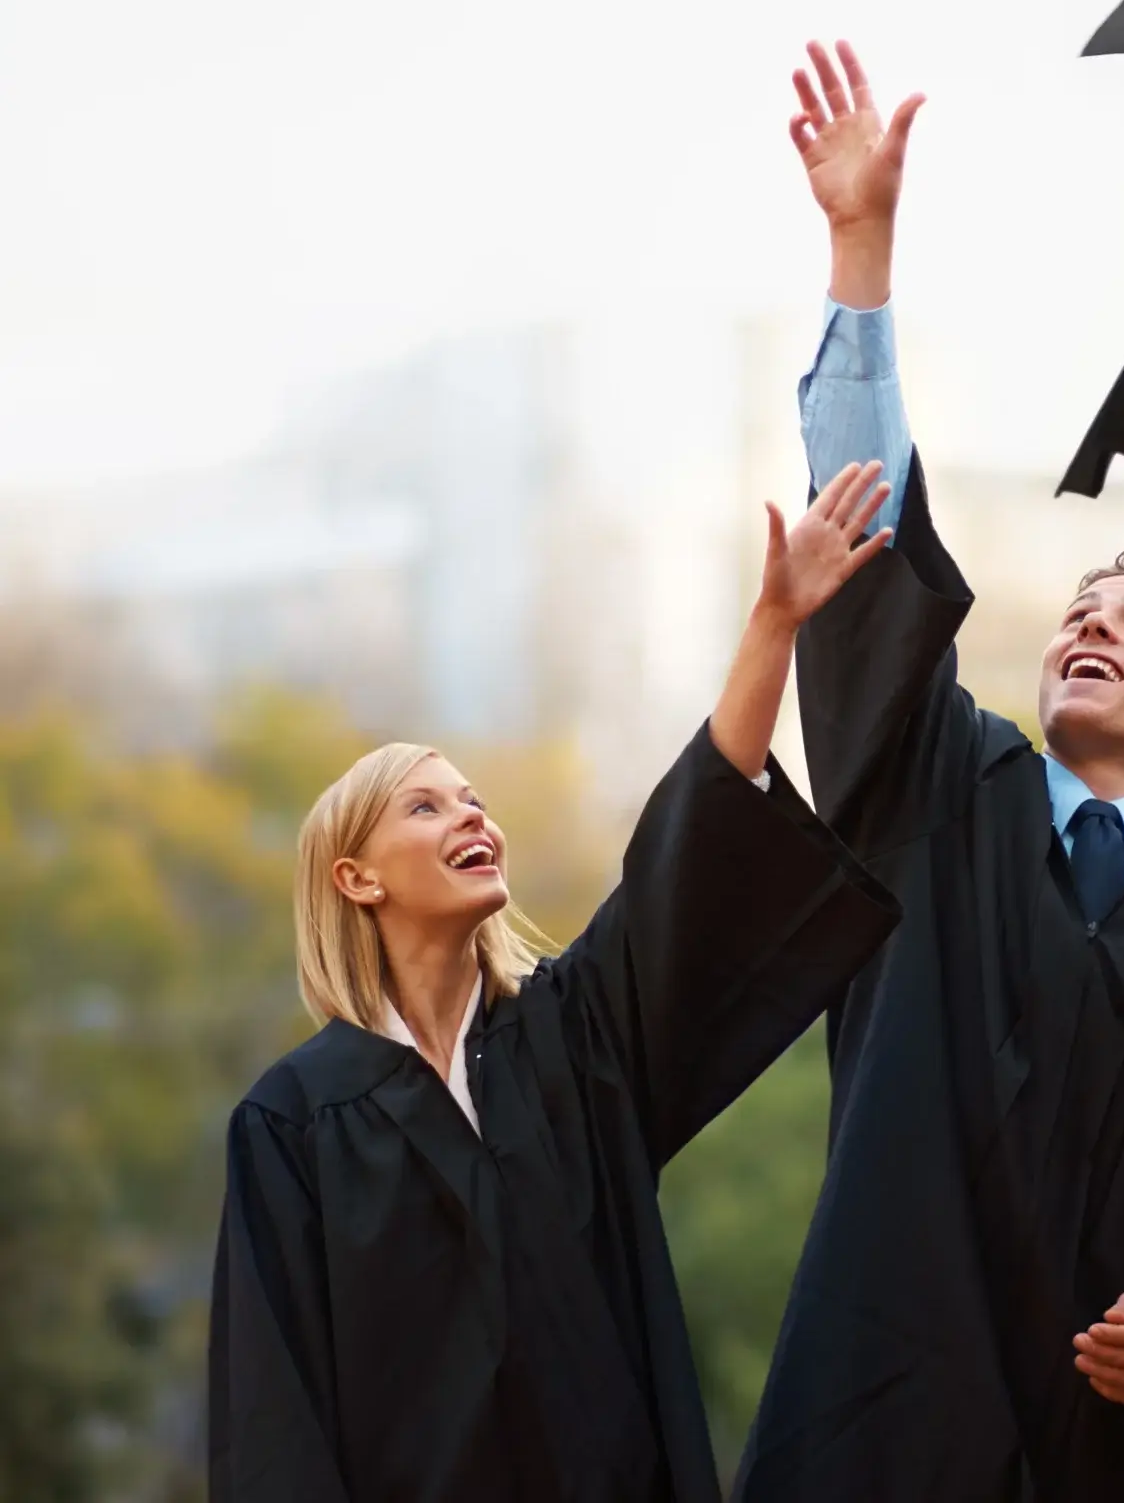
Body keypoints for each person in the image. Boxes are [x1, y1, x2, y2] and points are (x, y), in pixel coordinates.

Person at [734, 42, 1124, 1501]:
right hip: (881, 1424)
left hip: (1104, 1456)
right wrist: (861, 251)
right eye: (1082, 610)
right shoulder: (938, 798)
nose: (1094, 621)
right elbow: (873, 569)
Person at [207, 461, 907, 1502]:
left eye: (474, 800)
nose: (472, 818)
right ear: (354, 877)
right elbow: (274, 1417)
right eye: (426, 809)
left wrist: (773, 625)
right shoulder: (296, 1124)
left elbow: (688, 859)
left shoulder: (573, 1046)